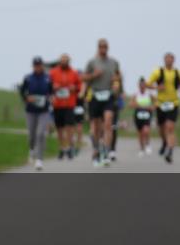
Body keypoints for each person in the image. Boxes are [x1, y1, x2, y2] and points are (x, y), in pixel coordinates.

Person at [82, 38, 122, 167]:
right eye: (101, 47)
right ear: (98, 48)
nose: (103, 49)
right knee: (95, 126)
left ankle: (106, 150)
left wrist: (116, 84)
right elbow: (83, 77)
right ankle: (96, 149)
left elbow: (117, 77)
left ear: (108, 48)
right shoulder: (92, 62)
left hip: (108, 95)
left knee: (108, 122)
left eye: (105, 47)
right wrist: (94, 75)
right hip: (95, 95)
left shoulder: (114, 62)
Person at [147, 52, 180, 164]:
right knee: (161, 128)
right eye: (167, 59)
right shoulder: (158, 72)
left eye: (171, 59)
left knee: (170, 127)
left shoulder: (178, 73)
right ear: (164, 60)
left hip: (173, 103)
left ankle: (169, 151)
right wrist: (157, 87)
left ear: (173, 60)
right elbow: (148, 84)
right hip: (160, 103)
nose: (169, 61)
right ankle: (164, 142)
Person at [49, 54, 82, 161]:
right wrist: (53, 87)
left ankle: (69, 147)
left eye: (66, 61)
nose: (64, 62)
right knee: (59, 128)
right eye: (62, 61)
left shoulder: (74, 72)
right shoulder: (53, 72)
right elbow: (48, 85)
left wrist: (75, 88)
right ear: (59, 62)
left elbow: (80, 86)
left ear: (69, 62)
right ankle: (61, 148)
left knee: (69, 127)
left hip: (69, 104)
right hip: (57, 104)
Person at [20, 57, 52, 170]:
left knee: (41, 133)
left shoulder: (48, 78)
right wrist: (27, 98)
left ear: (42, 65)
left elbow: (52, 92)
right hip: (31, 110)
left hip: (44, 110)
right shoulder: (28, 78)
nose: (38, 67)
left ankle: (39, 160)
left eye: (39, 65)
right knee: (32, 135)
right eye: (36, 65)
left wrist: (50, 98)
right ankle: (31, 149)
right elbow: (22, 92)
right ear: (33, 66)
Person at [130, 77, 155, 156]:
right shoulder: (136, 94)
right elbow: (131, 104)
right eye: (141, 85)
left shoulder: (149, 94)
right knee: (140, 133)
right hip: (138, 114)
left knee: (146, 130)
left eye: (143, 85)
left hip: (147, 113)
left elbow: (156, 102)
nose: (142, 86)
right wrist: (137, 105)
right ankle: (141, 148)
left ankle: (147, 144)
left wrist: (152, 107)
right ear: (138, 85)